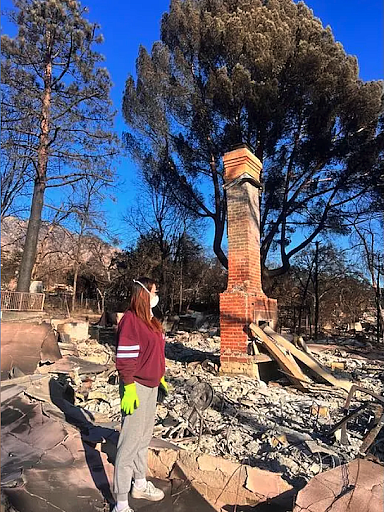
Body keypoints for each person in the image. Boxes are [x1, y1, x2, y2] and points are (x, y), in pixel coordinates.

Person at [112, 277, 168, 512]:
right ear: (144, 294)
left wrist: (160, 376)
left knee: (144, 437)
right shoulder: (131, 321)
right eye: (154, 291)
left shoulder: (151, 321)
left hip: (151, 385)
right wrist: (128, 386)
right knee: (129, 442)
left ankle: (140, 483)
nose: (157, 295)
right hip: (135, 386)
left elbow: (155, 352)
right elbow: (125, 357)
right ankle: (121, 503)